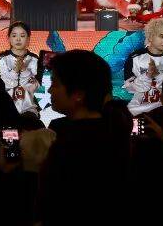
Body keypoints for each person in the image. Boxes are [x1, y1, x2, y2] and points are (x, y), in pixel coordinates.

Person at [38, 50, 128, 226]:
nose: (49, 89)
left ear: (78, 94)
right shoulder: (115, 131)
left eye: (55, 83)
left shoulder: (71, 144)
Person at [124, 17, 163, 114]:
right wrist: (148, 76)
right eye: (161, 36)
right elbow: (129, 88)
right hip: (138, 110)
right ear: (150, 37)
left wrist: (158, 76)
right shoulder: (134, 57)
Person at [0, 21, 41, 116]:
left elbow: (37, 86)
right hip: (5, 108)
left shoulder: (35, 59)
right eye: (14, 36)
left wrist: (24, 70)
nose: (18, 39)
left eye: (22, 36)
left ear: (28, 39)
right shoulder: (1, 59)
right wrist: (15, 71)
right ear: (9, 38)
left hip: (29, 109)